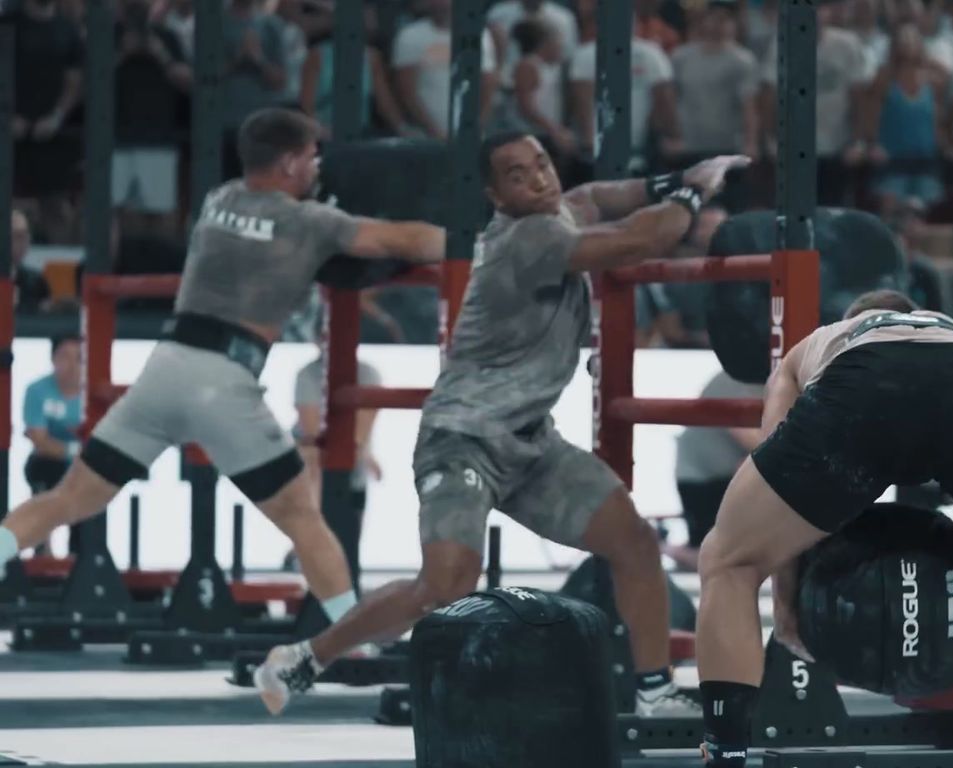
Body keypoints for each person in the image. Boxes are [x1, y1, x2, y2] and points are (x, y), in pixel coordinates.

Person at [254, 132, 750, 717]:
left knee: (635, 543)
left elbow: (603, 194)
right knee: (443, 585)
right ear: (494, 194)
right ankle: (306, 657)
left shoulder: (557, 208)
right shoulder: (528, 237)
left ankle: (654, 692)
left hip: (531, 442)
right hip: (461, 440)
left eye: (541, 164)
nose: (538, 179)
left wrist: (672, 178)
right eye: (518, 175)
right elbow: (641, 238)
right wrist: (692, 194)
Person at [0, 109, 444, 623]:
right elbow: (402, 240)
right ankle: (349, 639)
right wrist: (476, 239)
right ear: (291, 162)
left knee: (71, 497)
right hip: (223, 383)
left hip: (163, 371)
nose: (317, 167)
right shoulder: (311, 222)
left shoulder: (218, 200)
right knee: (303, 520)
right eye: (311, 158)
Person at [666, 291, 953, 768]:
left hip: (867, 385)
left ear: (853, 321)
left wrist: (789, 608)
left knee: (728, 561)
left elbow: (777, 455)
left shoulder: (812, 350)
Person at [281, 352, 383, 572]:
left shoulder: (367, 374)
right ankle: (309, 547)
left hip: (350, 453)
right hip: (311, 451)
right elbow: (311, 433)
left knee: (350, 490)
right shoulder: (308, 375)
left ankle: (340, 557)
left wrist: (360, 455)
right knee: (314, 463)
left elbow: (361, 433)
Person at [664, 372, 764, 572]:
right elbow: (747, 435)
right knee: (723, 557)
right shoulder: (741, 380)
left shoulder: (743, 378)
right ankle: (675, 551)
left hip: (711, 475)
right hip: (706, 478)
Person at [21, 335, 84, 557]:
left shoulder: (94, 394)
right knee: (43, 467)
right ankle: (42, 552)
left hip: (82, 471)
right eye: (64, 357)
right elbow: (39, 439)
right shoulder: (37, 390)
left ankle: (80, 557)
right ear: (53, 359)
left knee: (90, 484)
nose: (72, 365)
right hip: (49, 466)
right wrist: (73, 451)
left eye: (79, 358)